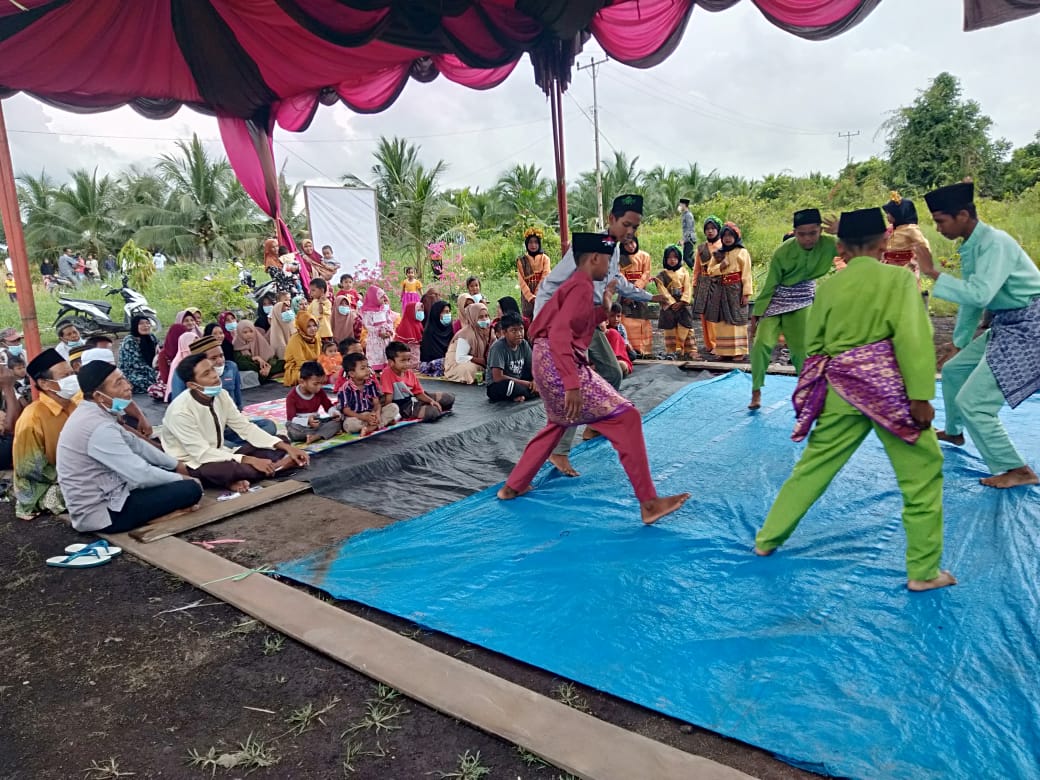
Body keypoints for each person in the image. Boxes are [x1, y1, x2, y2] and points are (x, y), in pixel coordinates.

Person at [754, 207, 955, 591]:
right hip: (891, 393)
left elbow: (815, 345)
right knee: (923, 471)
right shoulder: (898, 279)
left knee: (814, 466)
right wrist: (921, 396)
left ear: (840, 248)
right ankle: (924, 571)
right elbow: (912, 337)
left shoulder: (829, 288)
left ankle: (767, 539)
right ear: (885, 242)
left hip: (841, 390)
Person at [498, 233, 690, 524]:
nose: (612, 268)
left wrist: (606, 305)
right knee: (627, 417)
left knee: (559, 421)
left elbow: (577, 324)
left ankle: (513, 485)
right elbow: (560, 334)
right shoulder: (580, 287)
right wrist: (572, 384)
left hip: (547, 360)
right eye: (608, 261)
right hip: (559, 361)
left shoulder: (579, 285)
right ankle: (649, 504)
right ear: (594, 259)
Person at [915, 180, 1040, 489]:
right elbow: (972, 300)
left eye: (941, 221)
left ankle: (1017, 469)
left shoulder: (995, 243)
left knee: (975, 402)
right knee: (954, 370)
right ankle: (954, 432)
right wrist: (959, 343)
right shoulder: (973, 245)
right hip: (1008, 323)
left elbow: (980, 294)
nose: (938, 228)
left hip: (1030, 327)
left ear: (962, 215)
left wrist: (932, 272)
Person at [57, 362, 203, 533]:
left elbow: (136, 444)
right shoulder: (98, 427)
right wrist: (181, 478)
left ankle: (155, 513)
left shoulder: (94, 411)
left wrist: (176, 464)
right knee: (191, 489)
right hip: (102, 513)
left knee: (166, 472)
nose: (128, 386)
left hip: (112, 494)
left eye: (124, 379)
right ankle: (153, 518)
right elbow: (141, 475)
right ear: (99, 396)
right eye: (118, 383)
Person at [163, 354, 309, 492]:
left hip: (223, 453)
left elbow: (245, 427)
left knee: (281, 441)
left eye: (212, 369)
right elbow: (202, 453)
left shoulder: (221, 394)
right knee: (228, 470)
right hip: (194, 462)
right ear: (192, 385)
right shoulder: (180, 412)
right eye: (206, 374)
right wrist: (251, 460)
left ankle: (244, 475)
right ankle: (278, 467)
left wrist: (287, 448)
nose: (214, 375)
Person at [748, 208, 838, 410]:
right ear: (794, 232)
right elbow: (770, 285)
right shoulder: (783, 252)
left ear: (821, 230)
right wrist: (756, 314)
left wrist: (843, 231)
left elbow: (856, 250)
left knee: (802, 349)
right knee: (761, 344)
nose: (807, 239)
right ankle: (756, 390)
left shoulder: (830, 244)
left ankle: (806, 390)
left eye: (812, 233)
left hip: (802, 300)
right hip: (776, 299)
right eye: (801, 234)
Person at [13, 349, 79, 519]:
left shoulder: (74, 405)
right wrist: (75, 474)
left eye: (72, 374)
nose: (73, 379)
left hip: (75, 473)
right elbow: (29, 468)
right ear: (44, 384)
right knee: (88, 493)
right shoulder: (32, 417)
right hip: (42, 486)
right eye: (65, 376)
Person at [694, 221, 752, 361]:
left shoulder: (742, 252)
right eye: (725, 236)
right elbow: (710, 270)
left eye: (730, 235)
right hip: (720, 289)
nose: (727, 238)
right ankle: (723, 350)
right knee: (721, 320)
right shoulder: (718, 254)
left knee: (736, 319)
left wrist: (746, 294)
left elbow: (747, 274)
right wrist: (721, 266)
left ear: (735, 237)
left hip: (736, 289)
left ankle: (738, 352)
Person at [380, 341, 455, 422]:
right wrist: (388, 414)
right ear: (391, 362)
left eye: (408, 360)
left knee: (449, 398)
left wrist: (431, 401)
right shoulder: (387, 373)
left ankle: (427, 406)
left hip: (415, 398)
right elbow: (389, 398)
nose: (407, 363)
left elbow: (418, 393)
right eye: (403, 360)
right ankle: (424, 408)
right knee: (433, 412)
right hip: (404, 406)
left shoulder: (409, 372)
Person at [339, 352, 400, 434]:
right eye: (363, 368)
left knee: (394, 407)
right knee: (349, 425)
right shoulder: (345, 388)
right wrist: (364, 417)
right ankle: (381, 423)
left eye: (367, 366)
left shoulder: (371, 383)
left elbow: (376, 403)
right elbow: (346, 411)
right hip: (357, 416)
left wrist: (376, 414)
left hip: (371, 413)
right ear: (352, 374)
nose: (367, 370)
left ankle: (371, 427)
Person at [285, 361, 342, 444]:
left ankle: (315, 436)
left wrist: (334, 413)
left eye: (321, 383)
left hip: (317, 424)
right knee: (291, 427)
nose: (319, 387)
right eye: (315, 384)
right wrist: (307, 421)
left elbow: (328, 406)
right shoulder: (292, 396)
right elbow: (291, 418)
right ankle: (318, 434)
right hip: (301, 426)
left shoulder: (320, 392)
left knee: (337, 422)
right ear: (302, 382)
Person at [655, 245, 695, 358]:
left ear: (679, 259)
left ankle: (690, 350)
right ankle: (671, 350)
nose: (672, 260)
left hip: (683, 304)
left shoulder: (684, 271)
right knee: (670, 328)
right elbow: (662, 290)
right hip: (669, 305)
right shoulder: (661, 275)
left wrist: (682, 302)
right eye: (669, 257)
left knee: (686, 325)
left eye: (675, 257)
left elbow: (688, 287)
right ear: (665, 259)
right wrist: (672, 302)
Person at [487, 312, 536, 403]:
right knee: (509, 387)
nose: (519, 334)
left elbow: (533, 366)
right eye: (514, 331)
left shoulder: (524, 344)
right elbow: (498, 377)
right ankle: (529, 393)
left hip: (519, 380)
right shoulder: (498, 347)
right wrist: (526, 384)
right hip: (500, 384)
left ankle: (523, 394)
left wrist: (534, 381)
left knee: (542, 378)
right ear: (504, 332)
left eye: (521, 329)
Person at [617, 237, 654, 357]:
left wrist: (635, 290)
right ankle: (630, 349)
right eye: (626, 244)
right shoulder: (621, 258)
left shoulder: (645, 256)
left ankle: (643, 350)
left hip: (640, 291)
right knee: (625, 320)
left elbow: (646, 274)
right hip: (625, 292)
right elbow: (620, 275)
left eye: (632, 243)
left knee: (642, 320)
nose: (630, 246)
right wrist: (628, 291)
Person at [693, 216, 723, 354]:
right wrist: (695, 285)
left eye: (713, 228)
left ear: (718, 230)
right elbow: (697, 269)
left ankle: (717, 343)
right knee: (704, 315)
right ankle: (709, 343)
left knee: (714, 314)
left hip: (717, 282)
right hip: (703, 282)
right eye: (707, 229)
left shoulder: (723, 246)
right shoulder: (701, 248)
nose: (710, 231)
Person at [444, 301, 492, 384]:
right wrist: (480, 361)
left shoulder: (489, 330)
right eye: (480, 317)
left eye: (486, 316)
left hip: (479, 361)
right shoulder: (466, 334)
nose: (485, 319)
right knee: (468, 370)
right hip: (457, 361)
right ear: (473, 318)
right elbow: (460, 358)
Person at [117, 315, 159, 394]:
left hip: (149, 370)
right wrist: (154, 373)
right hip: (132, 372)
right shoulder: (130, 340)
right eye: (141, 323)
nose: (145, 326)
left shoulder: (151, 337)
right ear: (135, 325)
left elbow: (158, 353)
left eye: (147, 323)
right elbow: (135, 364)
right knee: (145, 381)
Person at [517, 228, 553, 320]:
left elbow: (545, 276)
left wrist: (537, 295)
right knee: (528, 321)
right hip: (527, 298)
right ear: (526, 244)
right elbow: (521, 281)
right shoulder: (521, 261)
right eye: (530, 242)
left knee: (543, 319)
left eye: (536, 242)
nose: (533, 245)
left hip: (542, 294)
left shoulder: (545, 259)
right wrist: (530, 297)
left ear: (539, 244)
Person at [361, 285, 395, 372]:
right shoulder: (368, 312)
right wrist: (379, 332)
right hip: (375, 339)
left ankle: (387, 373)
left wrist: (389, 331)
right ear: (374, 298)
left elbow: (389, 321)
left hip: (386, 337)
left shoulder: (384, 309)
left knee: (387, 354)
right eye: (381, 297)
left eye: (384, 297)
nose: (384, 299)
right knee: (377, 356)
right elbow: (368, 326)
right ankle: (377, 373)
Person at [283, 311, 322, 386]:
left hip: (313, 366)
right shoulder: (295, 339)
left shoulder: (316, 337)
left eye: (314, 325)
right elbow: (301, 363)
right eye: (308, 326)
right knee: (312, 377)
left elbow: (319, 357)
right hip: (298, 369)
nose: (313, 329)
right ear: (302, 327)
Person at [419, 300, 453, 377]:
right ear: (436, 313)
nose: (448, 315)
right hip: (432, 362)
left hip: (448, 360)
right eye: (445, 312)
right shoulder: (430, 331)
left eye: (448, 312)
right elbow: (429, 355)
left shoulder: (449, 328)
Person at [393, 301, 425, 366]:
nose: (421, 312)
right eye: (418, 310)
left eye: (422, 311)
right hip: (407, 359)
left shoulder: (418, 323)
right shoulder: (405, 326)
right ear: (411, 311)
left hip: (416, 357)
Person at [269, 291, 296, 359]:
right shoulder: (275, 310)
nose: (288, 302)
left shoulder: (288, 310)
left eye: (289, 300)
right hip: (280, 331)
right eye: (286, 300)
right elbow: (270, 319)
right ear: (278, 301)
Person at [679, 198, 696, 269]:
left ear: (684, 205)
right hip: (687, 238)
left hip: (689, 239)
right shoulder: (685, 214)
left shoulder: (688, 215)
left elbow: (689, 229)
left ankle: (695, 271)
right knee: (690, 257)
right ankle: (698, 269)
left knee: (686, 257)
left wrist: (683, 240)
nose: (679, 206)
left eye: (680, 205)